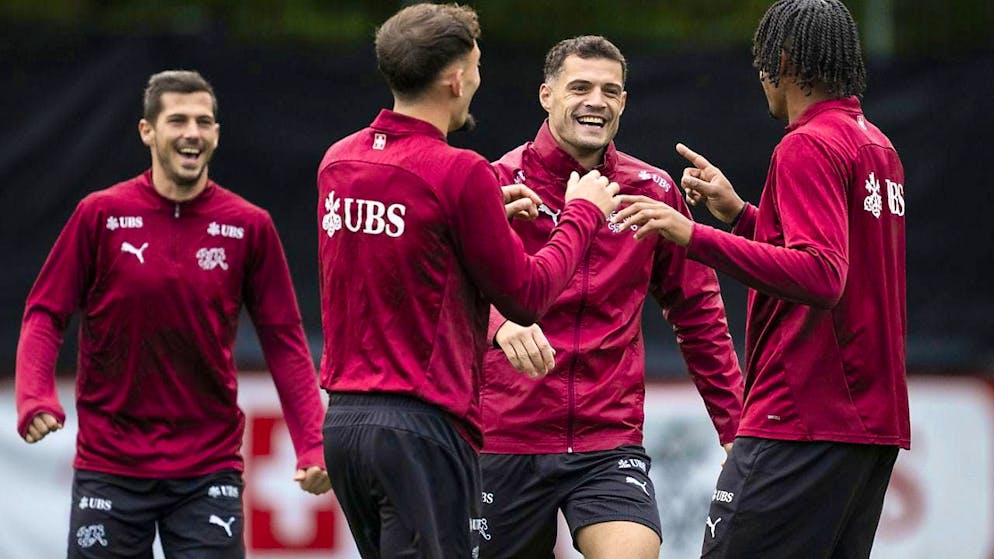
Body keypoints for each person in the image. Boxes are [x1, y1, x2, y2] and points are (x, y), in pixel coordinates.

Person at [315, 5, 622, 559]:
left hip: (344, 427)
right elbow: (528, 296)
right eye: (477, 67)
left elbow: (398, 250)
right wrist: (582, 213)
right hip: (419, 428)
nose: (478, 80)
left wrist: (479, 215)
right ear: (456, 79)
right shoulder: (460, 171)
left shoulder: (339, 161)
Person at [611, 1, 910, 557]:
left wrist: (690, 234)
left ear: (784, 60)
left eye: (760, 62)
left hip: (801, 417)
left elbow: (823, 276)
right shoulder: (877, 146)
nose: (758, 78)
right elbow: (835, 261)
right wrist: (744, 215)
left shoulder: (807, 145)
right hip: (871, 424)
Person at [15, 70, 331, 558]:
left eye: (204, 122)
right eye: (178, 120)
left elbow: (285, 340)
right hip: (110, 464)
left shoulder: (249, 226)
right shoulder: (98, 215)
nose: (192, 133)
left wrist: (312, 442)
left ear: (217, 135)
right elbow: (45, 313)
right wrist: (34, 395)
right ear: (148, 131)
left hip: (207, 468)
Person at [477, 36, 744, 559]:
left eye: (610, 90)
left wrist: (735, 427)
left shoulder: (654, 191)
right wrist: (499, 325)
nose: (595, 101)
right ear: (546, 95)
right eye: (579, 87)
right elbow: (443, 288)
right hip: (502, 437)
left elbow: (698, 315)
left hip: (607, 441)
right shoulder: (496, 183)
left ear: (623, 102)